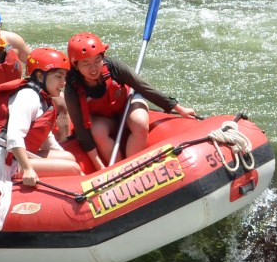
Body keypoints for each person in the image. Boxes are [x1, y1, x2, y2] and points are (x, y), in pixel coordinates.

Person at [63, 31, 197, 168]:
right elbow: (82, 132)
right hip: (104, 118)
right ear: (76, 65)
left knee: (140, 123)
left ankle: (134, 166)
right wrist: (100, 168)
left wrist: (179, 108)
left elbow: (143, 87)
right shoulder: (72, 89)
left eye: (97, 60)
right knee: (97, 131)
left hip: (128, 104)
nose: (93, 68)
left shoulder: (114, 67)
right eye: (86, 63)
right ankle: (118, 168)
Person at [0, 46, 80, 187]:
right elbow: (14, 137)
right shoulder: (28, 96)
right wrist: (27, 169)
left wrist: (63, 160)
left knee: (68, 158)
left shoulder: (43, 99)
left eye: (65, 77)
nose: (63, 83)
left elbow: (47, 140)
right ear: (40, 76)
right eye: (59, 76)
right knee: (72, 168)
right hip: (0, 162)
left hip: (14, 156)